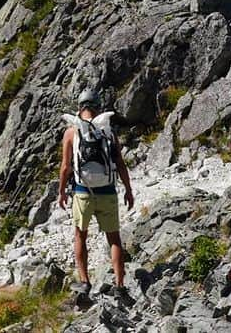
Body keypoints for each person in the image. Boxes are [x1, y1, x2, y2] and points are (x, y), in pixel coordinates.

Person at [57, 87, 134, 301]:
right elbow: (119, 163)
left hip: (83, 192)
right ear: (97, 107)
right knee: (114, 239)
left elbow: (65, 167)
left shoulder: (71, 132)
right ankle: (119, 286)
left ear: (80, 107)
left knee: (80, 235)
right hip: (108, 191)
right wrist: (128, 190)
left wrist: (62, 192)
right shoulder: (108, 131)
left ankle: (84, 283)